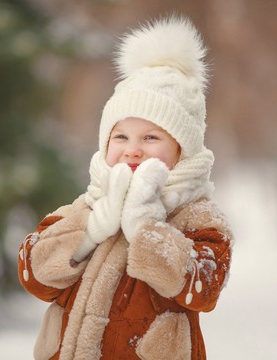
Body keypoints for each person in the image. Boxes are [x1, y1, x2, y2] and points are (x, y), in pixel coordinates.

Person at [18, 15, 233, 360]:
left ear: (183, 148)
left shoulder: (198, 217)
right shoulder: (85, 206)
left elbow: (205, 288)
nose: (133, 149)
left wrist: (147, 230)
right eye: (121, 136)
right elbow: (34, 276)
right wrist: (89, 232)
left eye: (151, 137)